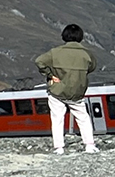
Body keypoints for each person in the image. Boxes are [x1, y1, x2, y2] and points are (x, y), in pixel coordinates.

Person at [37, 24, 98, 154]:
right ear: (80, 37)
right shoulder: (87, 54)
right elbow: (92, 67)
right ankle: (89, 145)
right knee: (83, 118)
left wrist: (50, 75)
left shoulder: (55, 52)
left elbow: (39, 61)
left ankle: (59, 147)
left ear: (64, 36)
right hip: (77, 91)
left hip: (57, 91)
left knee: (57, 118)